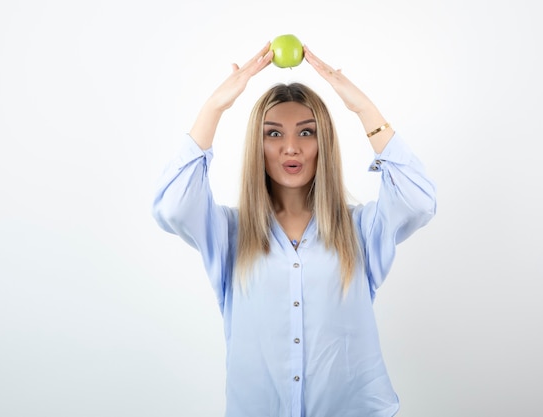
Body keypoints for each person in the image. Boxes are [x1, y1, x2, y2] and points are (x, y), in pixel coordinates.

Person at [152, 41, 437, 417]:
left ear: (324, 142)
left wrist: (363, 109)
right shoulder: (228, 233)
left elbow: (419, 201)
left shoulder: (361, 230)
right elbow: (171, 205)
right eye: (273, 134)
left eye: (306, 132)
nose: (291, 148)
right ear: (258, 144)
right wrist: (215, 108)